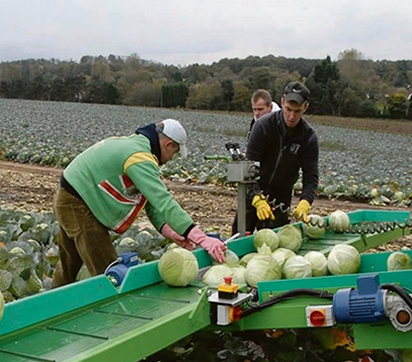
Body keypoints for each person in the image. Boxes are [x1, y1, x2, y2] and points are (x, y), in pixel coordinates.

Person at [52, 119, 227, 287]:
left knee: (69, 265)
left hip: (70, 198)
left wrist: (170, 231)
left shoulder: (136, 145)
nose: (170, 159)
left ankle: (49, 307)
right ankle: (116, 315)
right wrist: (201, 239)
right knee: (108, 273)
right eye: (173, 154)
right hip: (78, 204)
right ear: (168, 145)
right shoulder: (139, 157)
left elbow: (149, 199)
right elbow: (162, 199)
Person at [232, 81, 319, 234]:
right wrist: (257, 199)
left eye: (297, 111)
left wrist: (305, 201)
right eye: (288, 109)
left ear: (305, 107)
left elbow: (311, 177)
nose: (291, 116)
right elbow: (248, 167)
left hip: (281, 197)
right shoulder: (263, 127)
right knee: (239, 240)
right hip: (254, 193)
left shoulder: (308, 137)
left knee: (275, 245)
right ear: (282, 102)